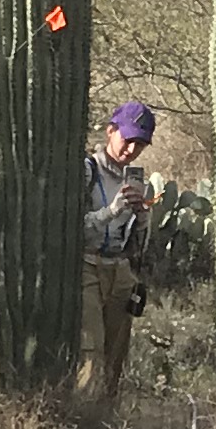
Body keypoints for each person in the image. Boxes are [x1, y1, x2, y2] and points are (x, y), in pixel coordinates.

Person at [81, 99, 162, 409]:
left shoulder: (133, 179)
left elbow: (137, 244)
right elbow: (76, 228)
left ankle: (106, 415)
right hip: (87, 267)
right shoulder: (88, 171)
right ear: (110, 132)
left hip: (120, 271)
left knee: (116, 354)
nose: (132, 150)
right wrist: (111, 211)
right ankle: (84, 421)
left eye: (140, 144)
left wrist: (141, 215)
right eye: (128, 140)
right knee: (90, 352)